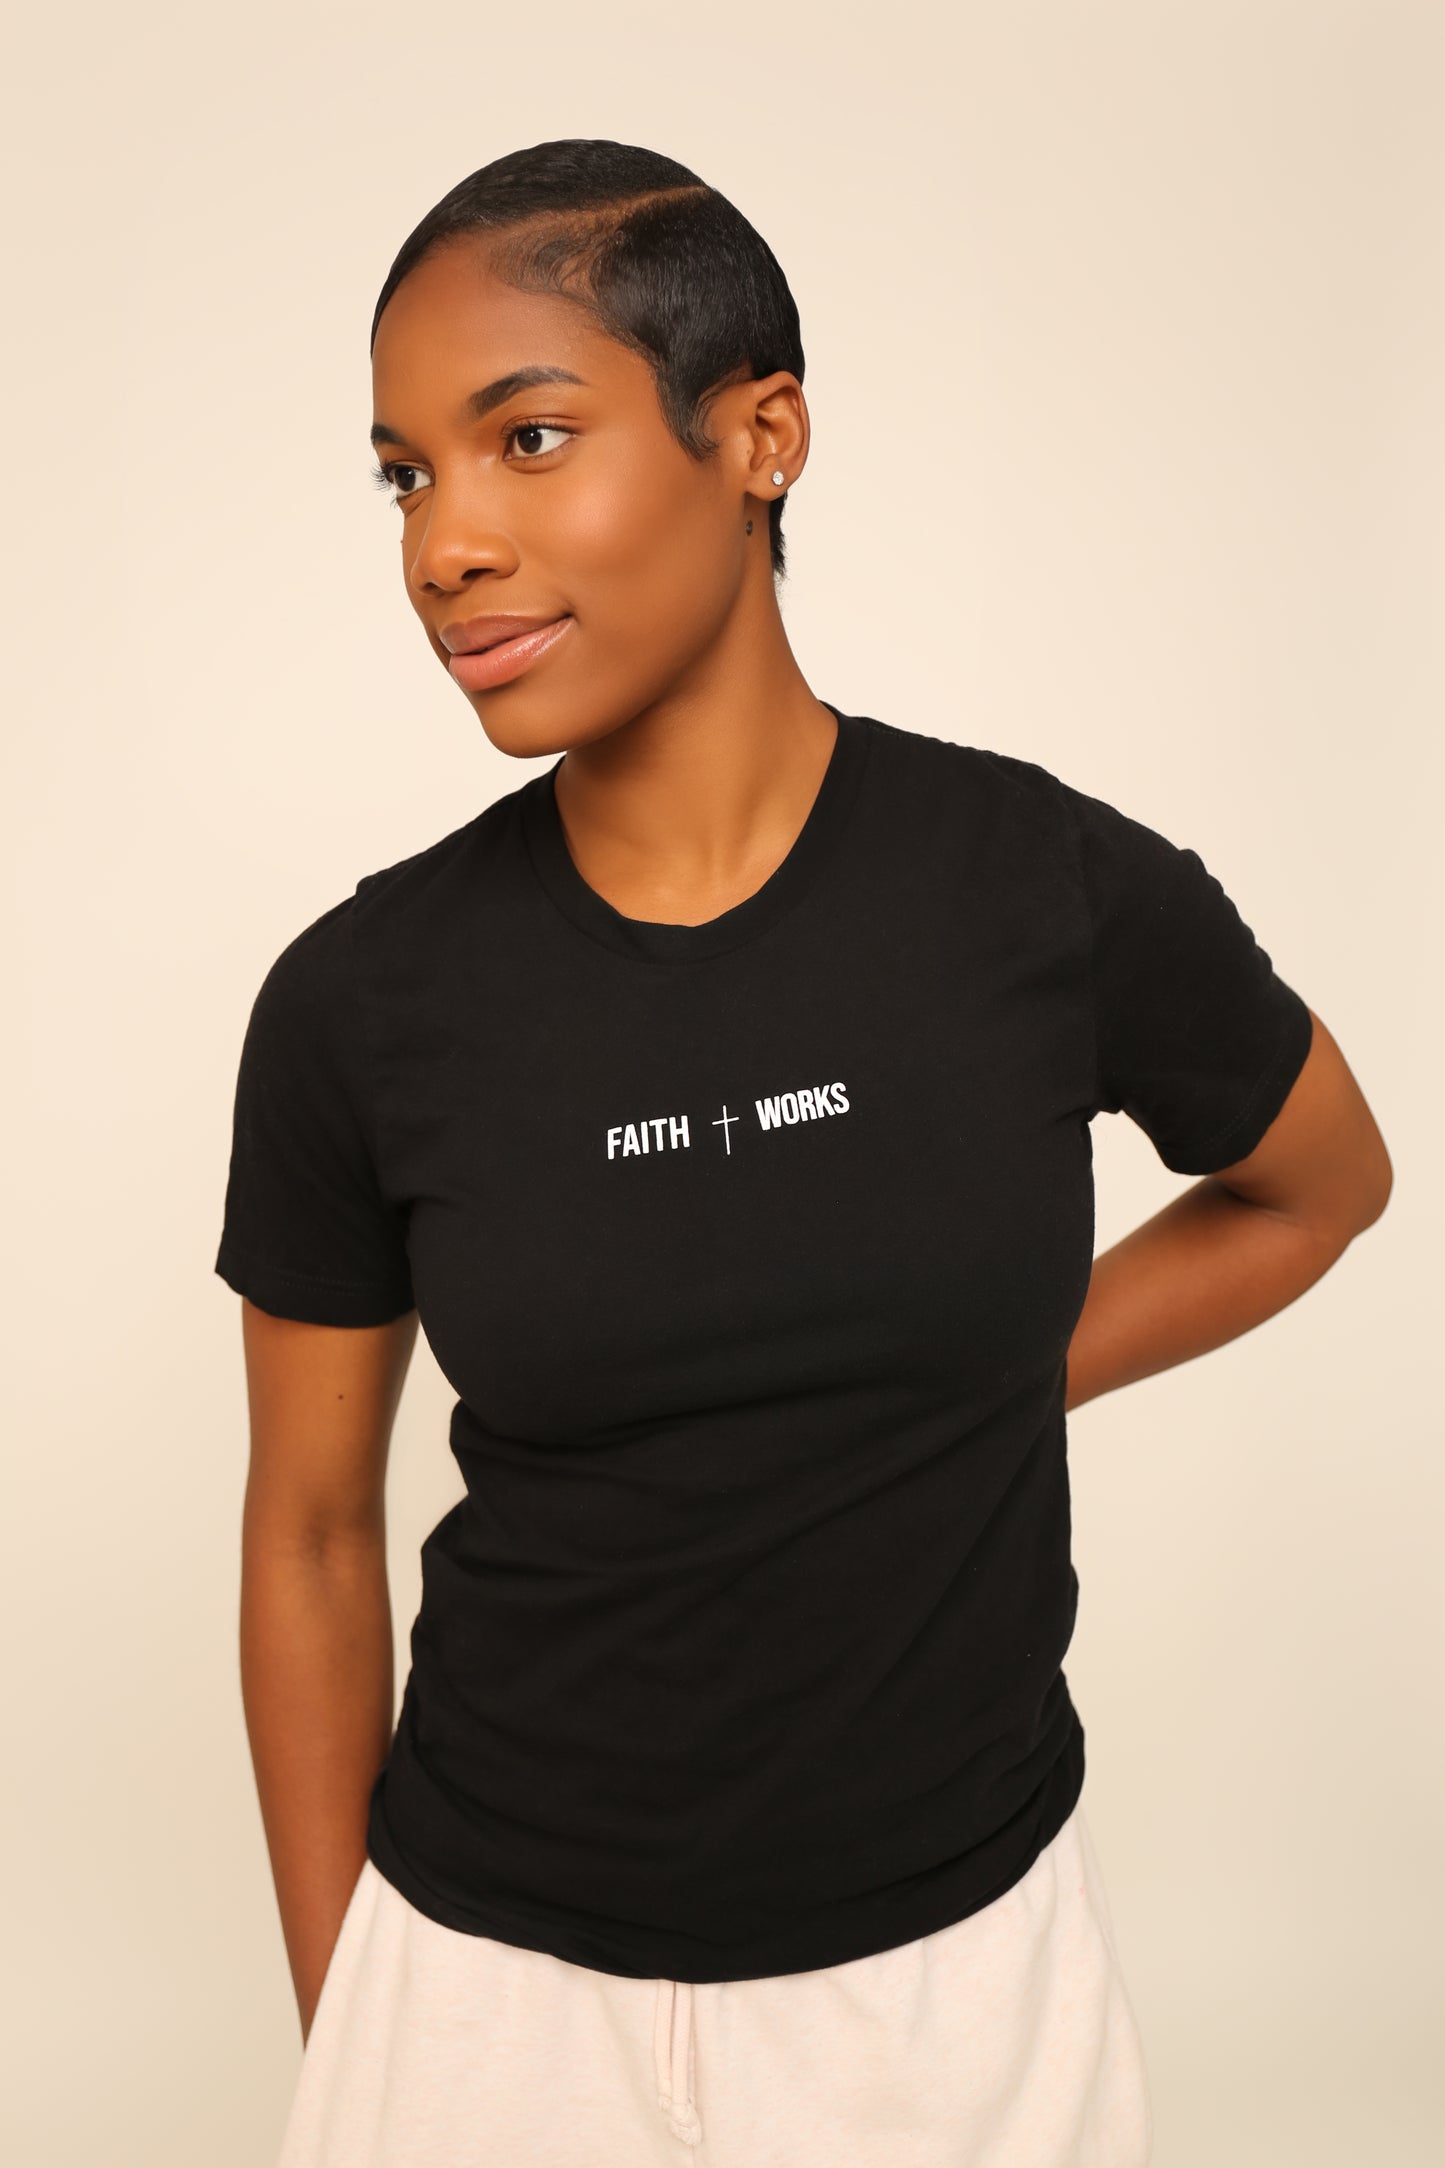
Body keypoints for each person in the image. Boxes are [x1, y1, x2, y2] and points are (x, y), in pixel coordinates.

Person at [214, 138, 1392, 2168]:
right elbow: (310, 1537)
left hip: (957, 1994)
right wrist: (362, 2027)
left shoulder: (1041, 889)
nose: (446, 544)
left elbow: (1320, 1186)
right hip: (484, 1993)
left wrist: (1002, 1370)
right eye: (407, 475)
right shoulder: (364, 998)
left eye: (527, 437)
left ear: (760, 437)